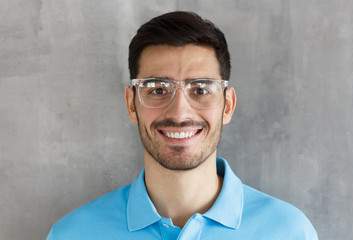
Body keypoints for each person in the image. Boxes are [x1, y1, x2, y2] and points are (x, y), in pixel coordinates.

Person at [47, 11, 318, 239]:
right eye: (156, 89)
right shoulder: (72, 234)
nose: (179, 112)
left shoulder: (289, 231)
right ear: (131, 104)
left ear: (228, 105)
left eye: (200, 89)